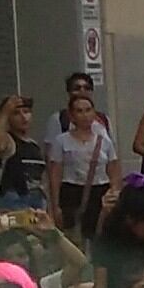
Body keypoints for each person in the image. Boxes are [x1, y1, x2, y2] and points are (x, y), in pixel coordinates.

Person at [49, 83, 118, 233]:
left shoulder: (104, 140)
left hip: (100, 191)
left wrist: (115, 193)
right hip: (72, 192)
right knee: (75, 236)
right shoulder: (61, 141)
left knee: (100, 233)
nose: (85, 115)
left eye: (88, 110)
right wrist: (55, 205)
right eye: (79, 111)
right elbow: (55, 173)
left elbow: (113, 170)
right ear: (72, 115)